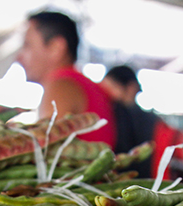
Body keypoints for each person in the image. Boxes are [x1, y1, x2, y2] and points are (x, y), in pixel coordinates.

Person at [16, 10, 116, 148]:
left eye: (27, 45)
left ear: (56, 48)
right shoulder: (81, 83)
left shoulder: (62, 84)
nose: (19, 57)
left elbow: (43, 150)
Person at [101, 65, 183, 179]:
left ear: (131, 87)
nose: (105, 94)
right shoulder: (154, 121)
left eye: (111, 87)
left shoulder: (119, 115)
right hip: (145, 188)